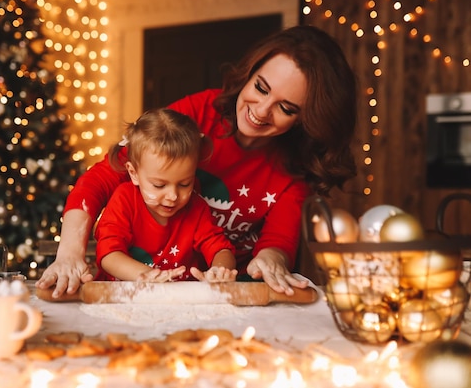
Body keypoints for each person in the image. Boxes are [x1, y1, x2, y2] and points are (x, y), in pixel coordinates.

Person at [36, 25, 357, 298]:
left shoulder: (295, 167)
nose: (260, 111)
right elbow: (103, 176)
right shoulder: (197, 113)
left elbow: (277, 243)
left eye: (285, 108)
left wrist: (270, 261)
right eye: (260, 88)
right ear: (249, 73)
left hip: (222, 293)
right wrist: (69, 252)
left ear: (306, 119)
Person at [94, 108, 237, 283]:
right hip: (122, 299)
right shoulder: (124, 200)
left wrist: (220, 270)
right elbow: (109, 255)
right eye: (159, 185)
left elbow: (221, 250)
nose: (173, 196)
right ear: (134, 173)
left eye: (185, 184)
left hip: (176, 304)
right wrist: (146, 275)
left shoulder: (196, 207)